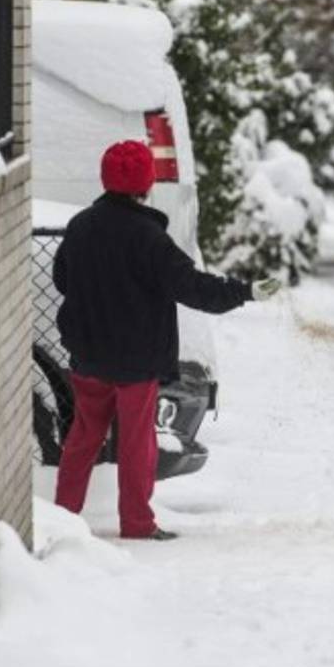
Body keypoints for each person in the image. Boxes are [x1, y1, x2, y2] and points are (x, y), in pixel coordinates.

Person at [53, 140, 281, 540]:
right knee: (137, 444)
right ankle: (137, 524)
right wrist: (245, 291)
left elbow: (62, 279)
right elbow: (192, 287)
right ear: (145, 185)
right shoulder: (148, 237)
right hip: (136, 362)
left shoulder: (81, 226)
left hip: (88, 354)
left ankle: (62, 519)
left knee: (82, 439)